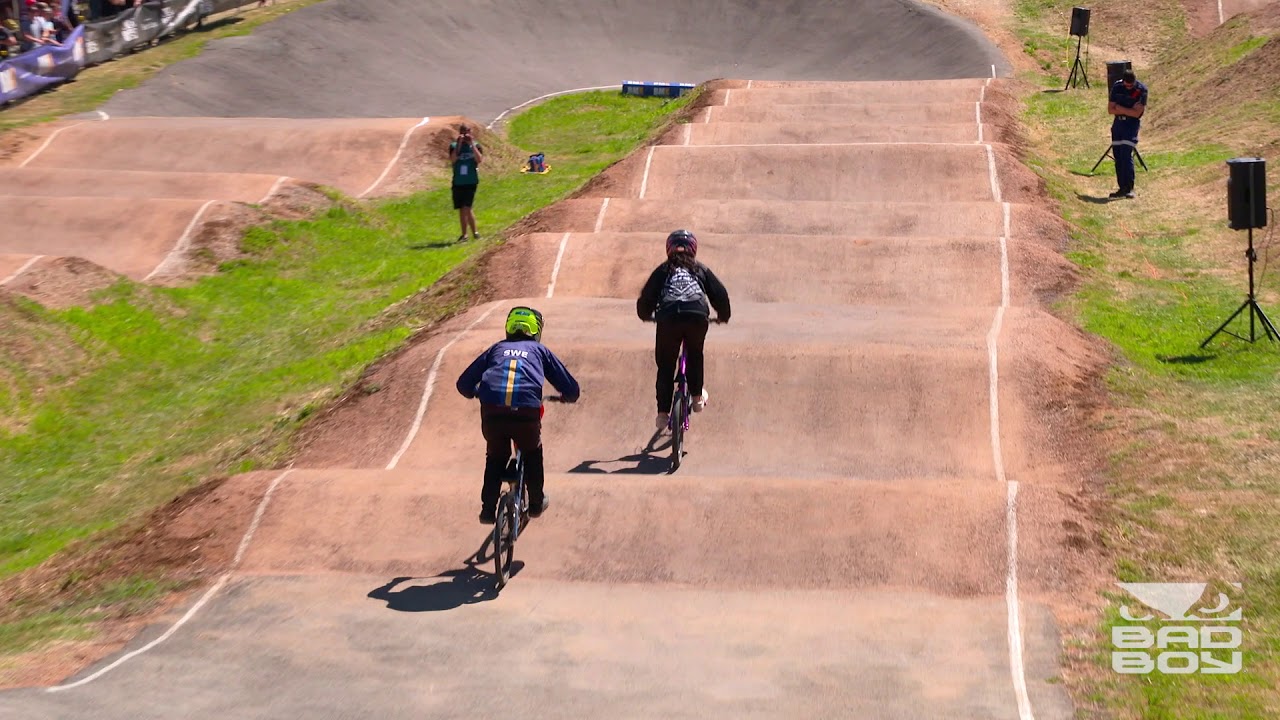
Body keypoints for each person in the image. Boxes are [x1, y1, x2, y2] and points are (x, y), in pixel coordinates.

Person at [456, 306, 580, 525]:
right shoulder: (539, 351)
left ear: (508, 328)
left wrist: (478, 393)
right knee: (532, 452)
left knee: (495, 456)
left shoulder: (496, 349)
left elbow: (463, 384)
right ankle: (535, 503)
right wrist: (567, 397)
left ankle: (487, 510)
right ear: (536, 331)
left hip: (492, 412)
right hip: (526, 413)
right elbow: (571, 389)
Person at [636, 229, 731, 430]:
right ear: (693, 249)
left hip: (668, 317)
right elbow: (720, 294)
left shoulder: (663, 270)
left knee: (666, 364)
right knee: (695, 353)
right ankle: (697, 398)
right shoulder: (699, 269)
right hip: (696, 315)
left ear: (669, 249)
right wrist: (723, 316)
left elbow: (647, 296)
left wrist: (645, 315)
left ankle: (663, 415)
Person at [1108, 68, 1147, 199]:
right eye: (1127, 85)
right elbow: (1110, 109)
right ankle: (1121, 188)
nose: (1129, 87)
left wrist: (1120, 108)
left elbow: (1137, 113)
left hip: (1131, 125)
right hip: (1118, 124)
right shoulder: (1117, 86)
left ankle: (1130, 188)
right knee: (1118, 156)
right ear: (1123, 81)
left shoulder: (1141, 90)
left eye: (1131, 85)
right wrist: (1128, 110)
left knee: (1126, 154)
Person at [448, 125, 484, 241]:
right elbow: (453, 160)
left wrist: (471, 144)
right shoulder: (454, 146)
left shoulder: (476, 145)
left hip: (471, 180)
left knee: (466, 207)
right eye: (463, 133)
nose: (465, 135)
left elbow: (479, 159)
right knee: (463, 208)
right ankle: (473, 233)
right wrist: (459, 144)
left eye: (467, 132)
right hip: (458, 181)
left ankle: (466, 234)